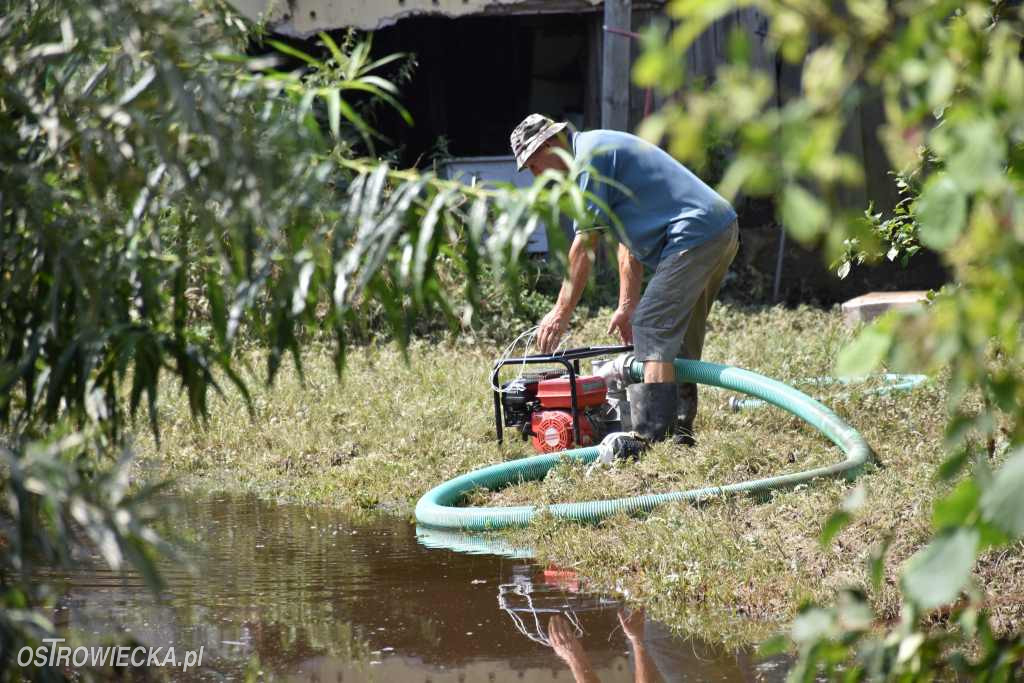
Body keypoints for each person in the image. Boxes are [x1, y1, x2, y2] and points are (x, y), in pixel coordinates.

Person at [509, 114, 739, 444]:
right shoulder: (595, 150)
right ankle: (680, 433)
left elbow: (584, 245)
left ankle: (652, 437)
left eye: (533, 165)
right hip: (719, 228)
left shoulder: (587, 159)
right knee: (677, 339)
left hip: (696, 233)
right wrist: (627, 304)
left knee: (652, 326)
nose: (536, 176)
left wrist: (560, 313)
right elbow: (626, 241)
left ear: (548, 145)